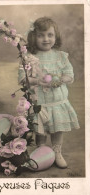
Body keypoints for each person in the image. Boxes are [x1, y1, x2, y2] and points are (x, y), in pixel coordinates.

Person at [18, 17, 80, 169]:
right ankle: (41, 151)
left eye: (50, 35)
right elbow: (22, 79)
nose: (46, 39)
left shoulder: (60, 56)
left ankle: (56, 151)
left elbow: (69, 74)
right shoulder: (28, 58)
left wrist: (59, 79)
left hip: (57, 100)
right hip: (40, 101)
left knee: (57, 128)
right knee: (41, 128)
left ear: (55, 36)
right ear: (34, 37)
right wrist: (37, 81)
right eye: (41, 35)